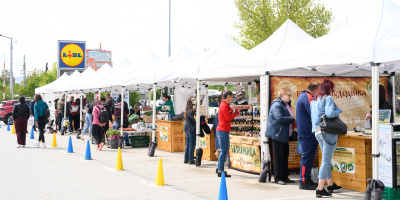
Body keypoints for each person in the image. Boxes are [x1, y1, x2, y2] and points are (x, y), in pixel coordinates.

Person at [311, 80, 342, 198]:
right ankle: (320, 189)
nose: (333, 92)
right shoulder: (328, 98)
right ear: (329, 89)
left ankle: (330, 185)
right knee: (326, 160)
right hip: (328, 132)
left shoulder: (314, 100)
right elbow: (329, 114)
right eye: (333, 89)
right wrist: (338, 109)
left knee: (325, 159)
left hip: (317, 131)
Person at [265, 86, 295, 185]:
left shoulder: (285, 104)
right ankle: (278, 178)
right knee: (279, 157)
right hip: (277, 134)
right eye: (289, 95)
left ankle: (285, 177)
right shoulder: (277, 104)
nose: (290, 97)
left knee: (284, 156)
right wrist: (292, 119)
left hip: (283, 135)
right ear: (283, 95)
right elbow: (279, 118)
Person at [296, 82, 320, 190]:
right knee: (307, 157)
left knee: (308, 157)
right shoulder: (307, 97)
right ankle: (304, 181)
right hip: (307, 133)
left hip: (306, 132)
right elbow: (314, 113)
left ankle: (307, 179)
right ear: (315, 90)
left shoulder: (303, 96)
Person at [216, 91, 239, 178]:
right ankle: (220, 169)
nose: (232, 99)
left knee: (224, 150)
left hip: (222, 130)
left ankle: (219, 167)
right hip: (223, 130)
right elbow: (228, 118)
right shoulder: (224, 105)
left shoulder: (224, 104)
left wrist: (233, 110)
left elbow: (229, 113)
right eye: (232, 97)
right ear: (228, 97)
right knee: (224, 150)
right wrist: (236, 113)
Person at [183, 98, 196, 165]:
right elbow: (193, 120)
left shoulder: (187, 110)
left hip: (187, 128)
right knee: (192, 145)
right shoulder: (191, 111)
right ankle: (190, 159)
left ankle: (186, 159)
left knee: (187, 144)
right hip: (191, 129)